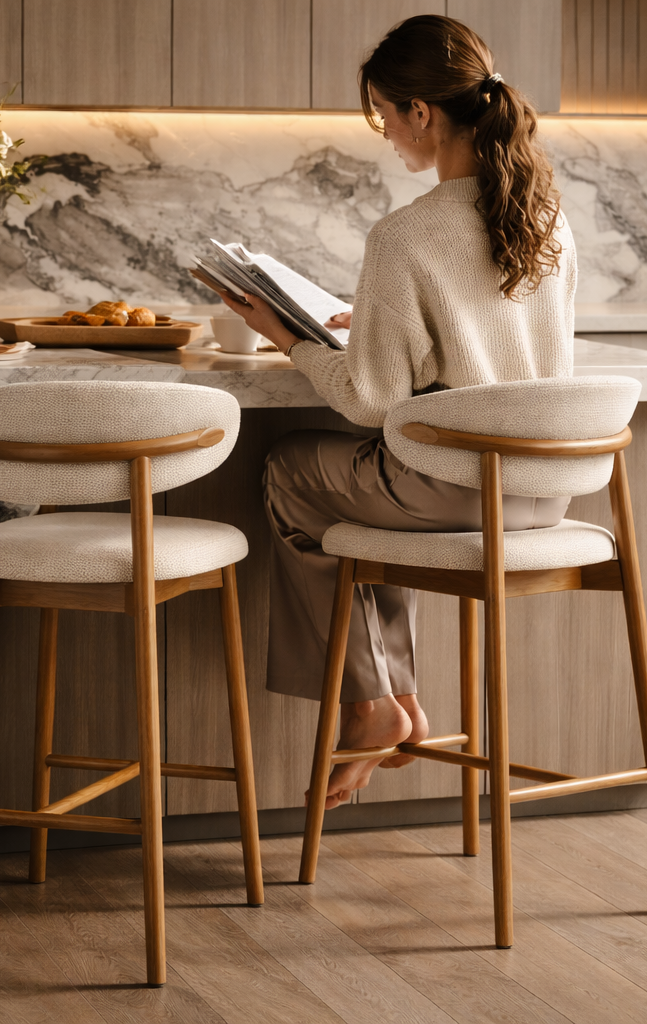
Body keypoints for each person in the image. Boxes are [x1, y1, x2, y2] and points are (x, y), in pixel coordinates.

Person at [222, 15, 577, 809]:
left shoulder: (405, 233)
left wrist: (286, 337)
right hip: (547, 491)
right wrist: (374, 322)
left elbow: (369, 401)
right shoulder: (545, 215)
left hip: (458, 486)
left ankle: (374, 703)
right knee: (378, 491)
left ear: (421, 111)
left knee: (292, 473)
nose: (382, 130)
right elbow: (487, 334)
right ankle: (391, 698)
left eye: (382, 111)